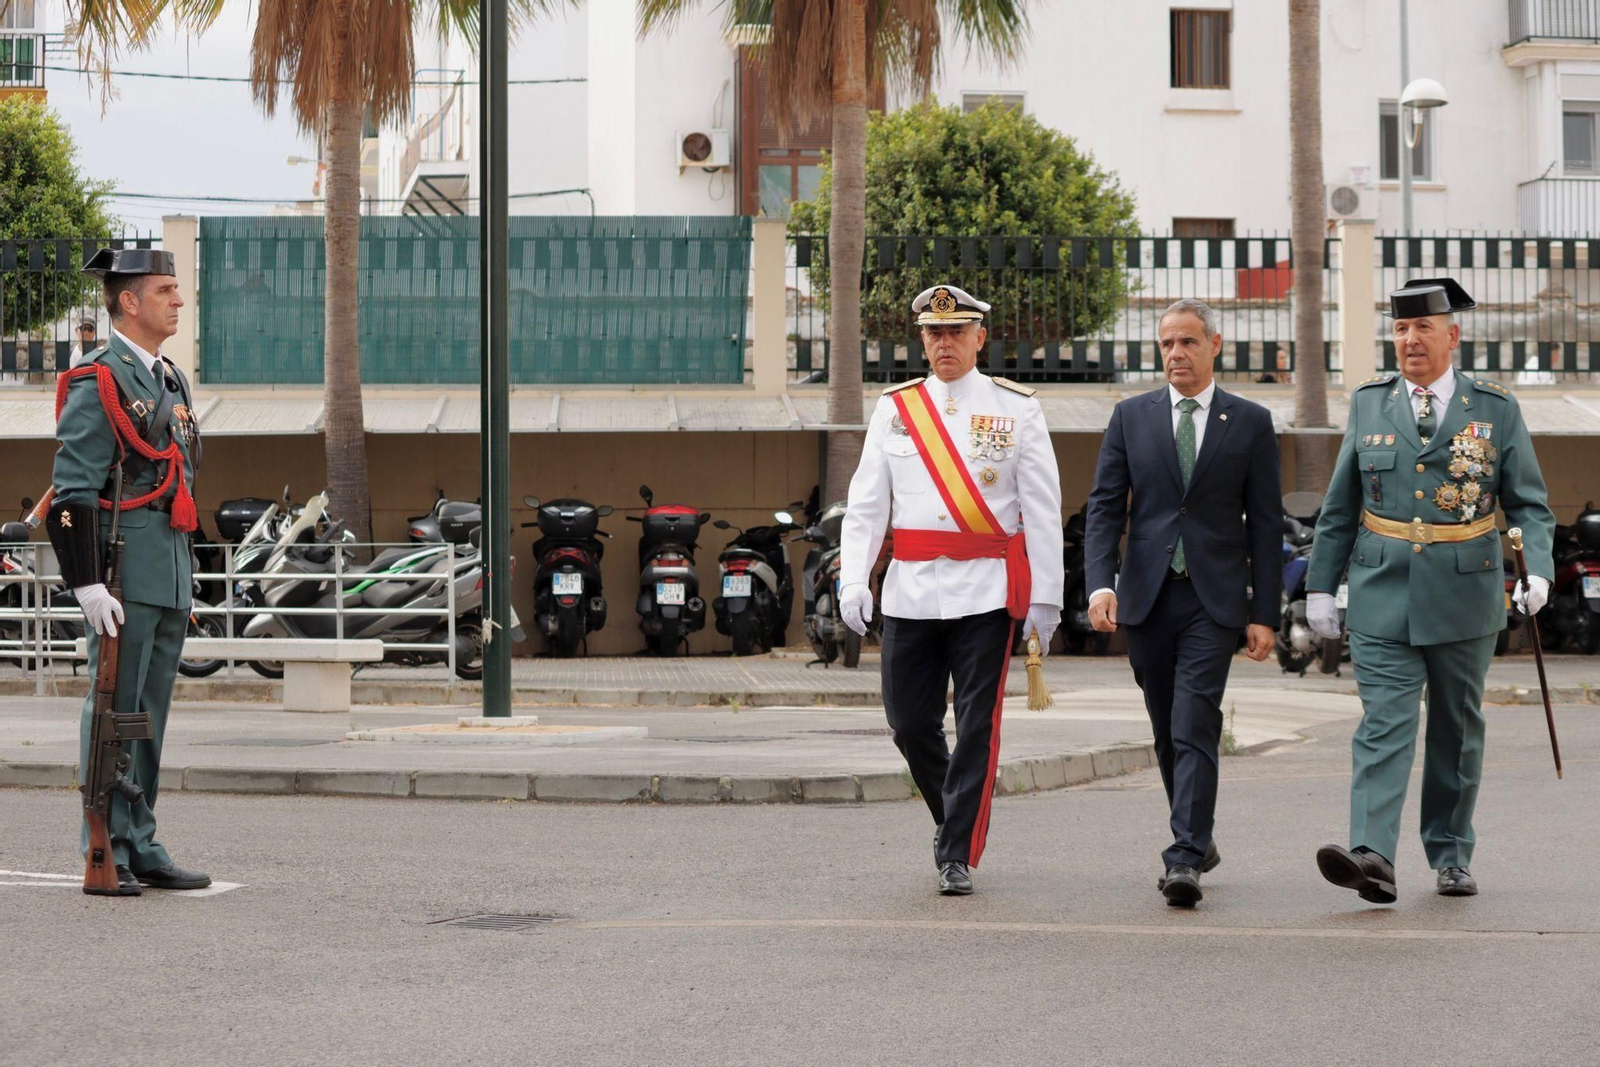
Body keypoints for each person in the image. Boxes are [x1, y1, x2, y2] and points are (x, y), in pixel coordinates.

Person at [1306, 277, 1555, 903]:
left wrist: (1540, 570)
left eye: (1422, 328)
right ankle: (1372, 855)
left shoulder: (1494, 409)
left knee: (1456, 729)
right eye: (1399, 329)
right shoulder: (1369, 403)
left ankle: (1449, 853)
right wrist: (1319, 587)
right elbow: (1340, 507)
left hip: (1465, 593)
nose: (1409, 340)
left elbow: (1528, 503)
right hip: (1380, 587)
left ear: (1453, 334)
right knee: (1383, 724)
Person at [838, 283, 1064, 896]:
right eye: (934, 333)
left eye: (957, 331)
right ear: (922, 339)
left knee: (975, 726)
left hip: (985, 593)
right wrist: (854, 577)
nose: (945, 342)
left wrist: (1047, 597)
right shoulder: (896, 408)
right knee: (909, 724)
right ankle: (952, 823)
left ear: (979, 338)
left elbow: (1042, 508)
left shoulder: (1017, 408)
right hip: (910, 590)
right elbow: (866, 504)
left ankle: (957, 851)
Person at [1083, 297, 1281, 908]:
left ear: (1214, 345)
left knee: (1196, 721)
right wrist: (1100, 583)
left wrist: (1263, 613)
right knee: (1168, 728)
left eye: (1188, 342)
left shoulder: (1248, 422)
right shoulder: (1131, 418)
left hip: (1213, 601)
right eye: (1167, 343)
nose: (1176, 354)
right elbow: (1105, 508)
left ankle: (1184, 857)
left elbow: (1265, 525)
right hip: (1145, 596)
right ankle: (1198, 832)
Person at [47, 247, 209, 895]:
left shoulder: (171, 379)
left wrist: (183, 580)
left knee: (150, 713)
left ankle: (141, 839)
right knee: (115, 707)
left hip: (164, 571)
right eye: (167, 289)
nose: (178, 299)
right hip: (120, 576)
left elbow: (179, 482)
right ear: (130, 302)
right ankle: (106, 843)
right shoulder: (100, 378)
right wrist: (85, 582)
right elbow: (72, 489)